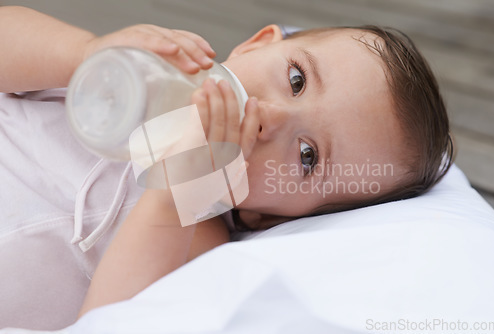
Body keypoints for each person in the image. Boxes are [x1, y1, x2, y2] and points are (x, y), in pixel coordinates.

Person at [0, 5, 453, 329]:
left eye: (307, 156)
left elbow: (112, 321)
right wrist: (82, 52)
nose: (268, 117)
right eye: (296, 79)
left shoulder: (191, 241)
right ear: (255, 45)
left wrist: (174, 194)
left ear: (269, 216)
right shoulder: (113, 76)